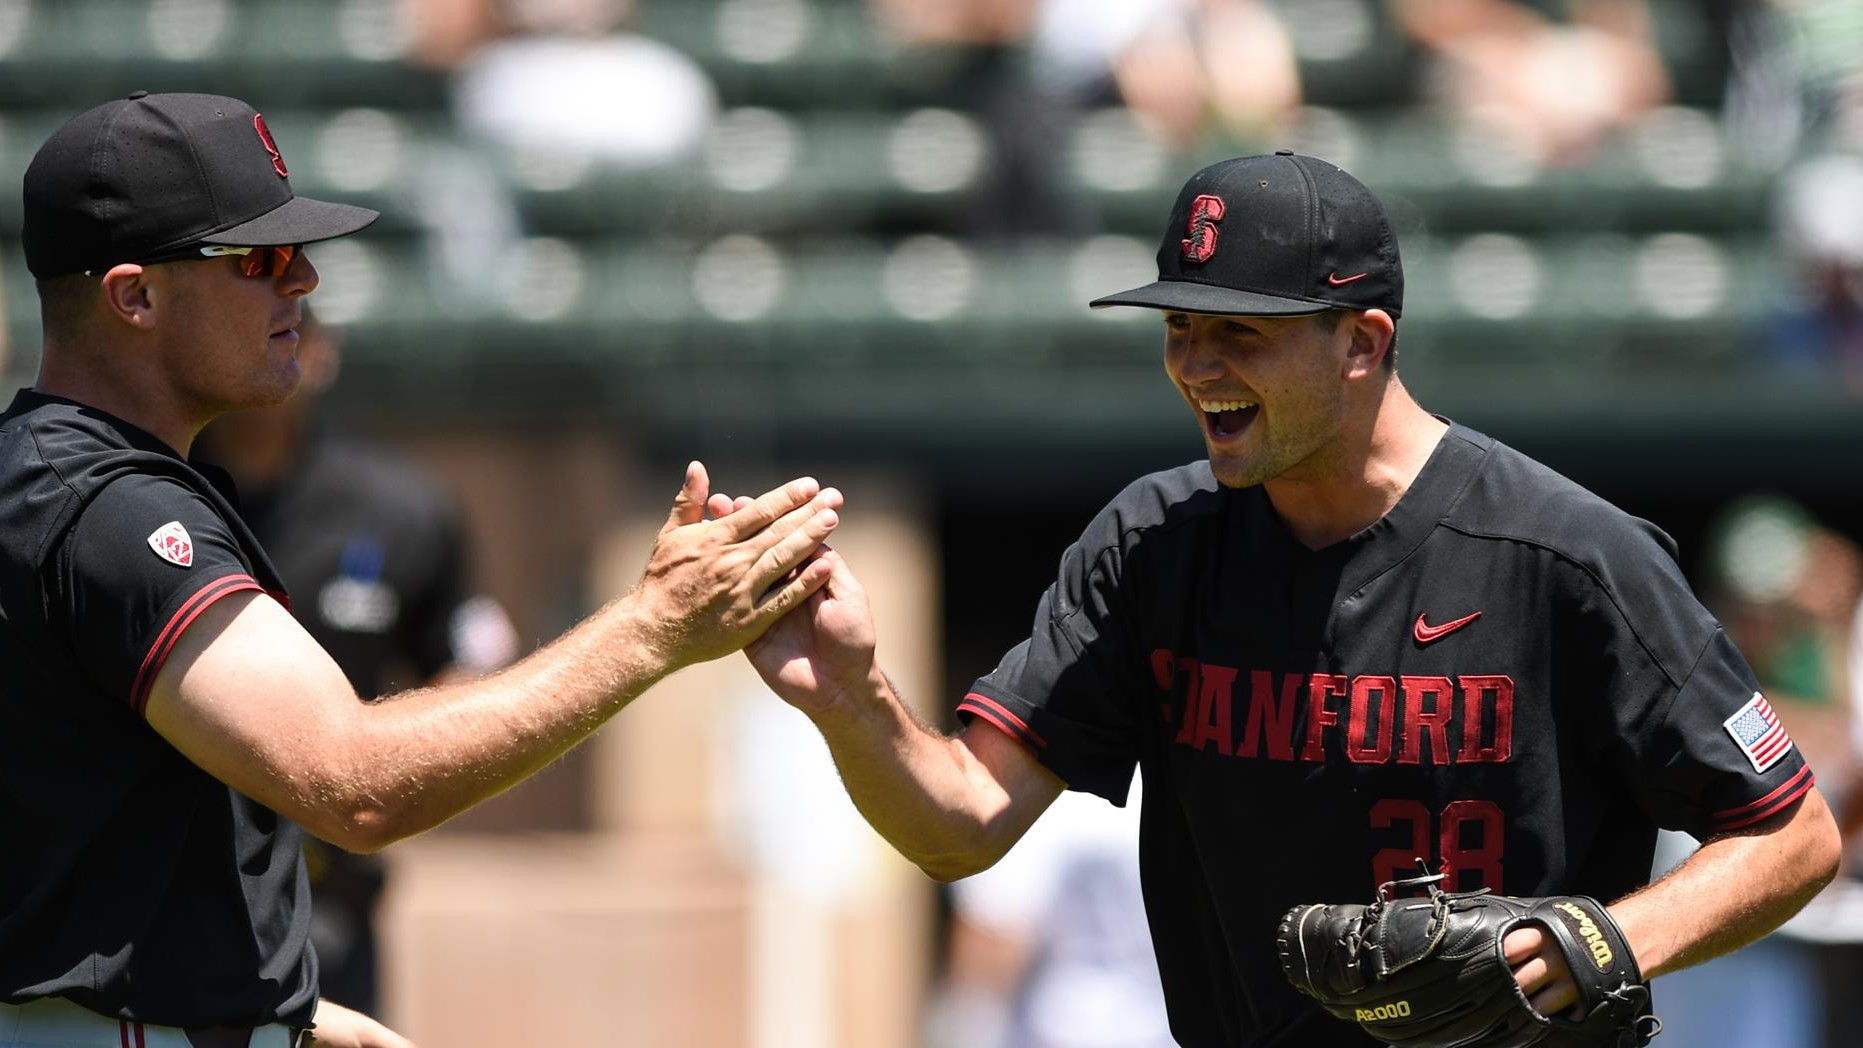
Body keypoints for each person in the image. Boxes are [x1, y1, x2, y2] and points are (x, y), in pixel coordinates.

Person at [731, 151, 1844, 1046]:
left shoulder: (1564, 553)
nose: (1196, 365)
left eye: (1240, 333)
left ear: (1362, 342)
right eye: (1179, 327)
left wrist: (1599, 944)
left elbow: (1791, 834)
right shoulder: (1153, 546)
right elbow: (961, 822)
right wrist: (849, 695)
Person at [0, 91, 841, 1048]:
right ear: (135, 297)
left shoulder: (45, 475)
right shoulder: (112, 507)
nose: (304, 280)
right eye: (259, 259)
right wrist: (656, 626)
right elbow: (353, 784)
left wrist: (269, 1005)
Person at [195, 309, 522, 1017]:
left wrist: (379, 764)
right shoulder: (156, 496)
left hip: (329, 904)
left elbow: (472, 656)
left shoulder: (398, 506)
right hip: (173, 892)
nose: (277, 343)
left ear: (321, 353)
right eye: (254, 324)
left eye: (294, 328)